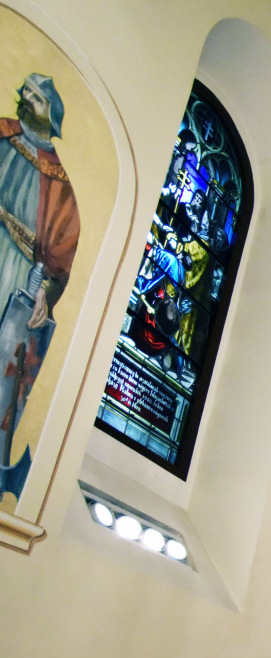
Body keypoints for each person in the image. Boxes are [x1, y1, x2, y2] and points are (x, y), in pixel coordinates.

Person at [0, 73, 80, 493]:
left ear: (53, 114)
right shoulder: (2, 133)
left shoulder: (61, 185)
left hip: (14, 271)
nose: (26, 99)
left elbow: (61, 258)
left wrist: (45, 294)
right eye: (25, 93)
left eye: (37, 97)